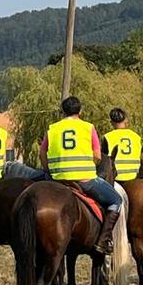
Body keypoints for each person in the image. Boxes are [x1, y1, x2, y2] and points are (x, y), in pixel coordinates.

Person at [40, 95, 120, 253]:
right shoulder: (88, 128)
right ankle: (103, 241)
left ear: (63, 111)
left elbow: (42, 153)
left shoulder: (52, 128)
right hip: (84, 180)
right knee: (116, 200)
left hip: (57, 179)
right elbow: (97, 155)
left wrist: (48, 171)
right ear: (80, 111)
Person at [103, 108, 143, 182]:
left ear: (111, 122)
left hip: (116, 177)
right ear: (125, 120)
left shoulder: (108, 137)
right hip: (134, 175)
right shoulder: (136, 137)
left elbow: (103, 159)